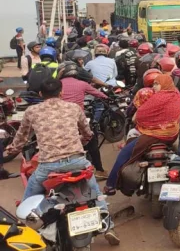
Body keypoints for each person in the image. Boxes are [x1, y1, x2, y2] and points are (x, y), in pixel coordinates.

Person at [4, 79, 120, 245]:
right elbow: (87, 133)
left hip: (48, 166)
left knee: (28, 197)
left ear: (40, 94)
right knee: (95, 194)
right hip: (79, 163)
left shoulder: (32, 111)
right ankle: (108, 228)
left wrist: (11, 150)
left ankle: (25, 229)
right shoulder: (74, 108)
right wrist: (84, 139)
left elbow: (21, 138)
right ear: (61, 93)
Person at [105, 74, 180, 193]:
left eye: (157, 84)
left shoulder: (157, 97)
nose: (154, 87)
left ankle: (111, 184)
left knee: (125, 153)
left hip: (154, 135)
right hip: (172, 135)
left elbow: (139, 116)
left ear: (164, 84)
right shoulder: (176, 95)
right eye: (154, 84)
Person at [57, 61, 109, 178]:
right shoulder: (82, 84)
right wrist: (107, 97)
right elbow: (99, 94)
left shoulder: (57, 84)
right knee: (92, 141)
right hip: (78, 118)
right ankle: (99, 170)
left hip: (58, 119)